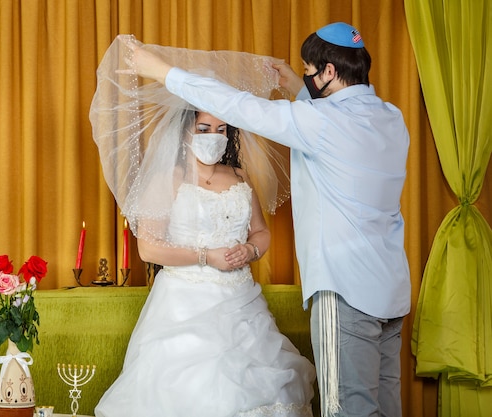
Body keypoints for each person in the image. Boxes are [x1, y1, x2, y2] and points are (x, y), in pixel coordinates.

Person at [122, 22, 411, 417]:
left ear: (328, 72)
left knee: (349, 408)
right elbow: (335, 126)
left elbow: (239, 106)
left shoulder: (320, 125)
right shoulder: (391, 118)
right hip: (391, 290)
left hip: (346, 290)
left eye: (310, 72)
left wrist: (163, 72)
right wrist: (298, 87)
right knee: (386, 406)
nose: (306, 79)